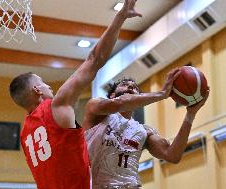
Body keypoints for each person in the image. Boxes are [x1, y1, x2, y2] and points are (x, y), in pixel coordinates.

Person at [9, 1, 142, 189]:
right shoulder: (55, 107)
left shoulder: (25, 134)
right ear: (37, 90)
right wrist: (120, 17)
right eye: (42, 82)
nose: (49, 86)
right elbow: (95, 59)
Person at [83, 69, 209, 189]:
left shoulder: (144, 131)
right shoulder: (96, 110)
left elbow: (172, 155)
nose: (131, 87)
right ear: (112, 95)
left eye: (135, 88)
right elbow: (121, 103)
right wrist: (161, 94)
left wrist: (190, 114)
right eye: (125, 84)